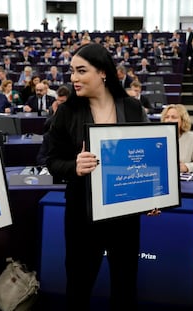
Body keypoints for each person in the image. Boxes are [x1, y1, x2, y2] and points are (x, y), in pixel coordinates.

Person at [46, 43, 149, 311]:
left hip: (125, 216)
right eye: (71, 71)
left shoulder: (133, 109)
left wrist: (153, 193)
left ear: (103, 72)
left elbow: (148, 159)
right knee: (78, 286)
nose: (73, 78)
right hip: (82, 216)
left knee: (125, 287)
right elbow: (49, 160)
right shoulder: (66, 112)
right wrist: (74, 166)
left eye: (81, 71)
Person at [161, 104, 193, 173]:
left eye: (174, 117)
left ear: (183, 120)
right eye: (167, 117)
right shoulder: (156, 137)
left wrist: (186, 167)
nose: (169, 120)